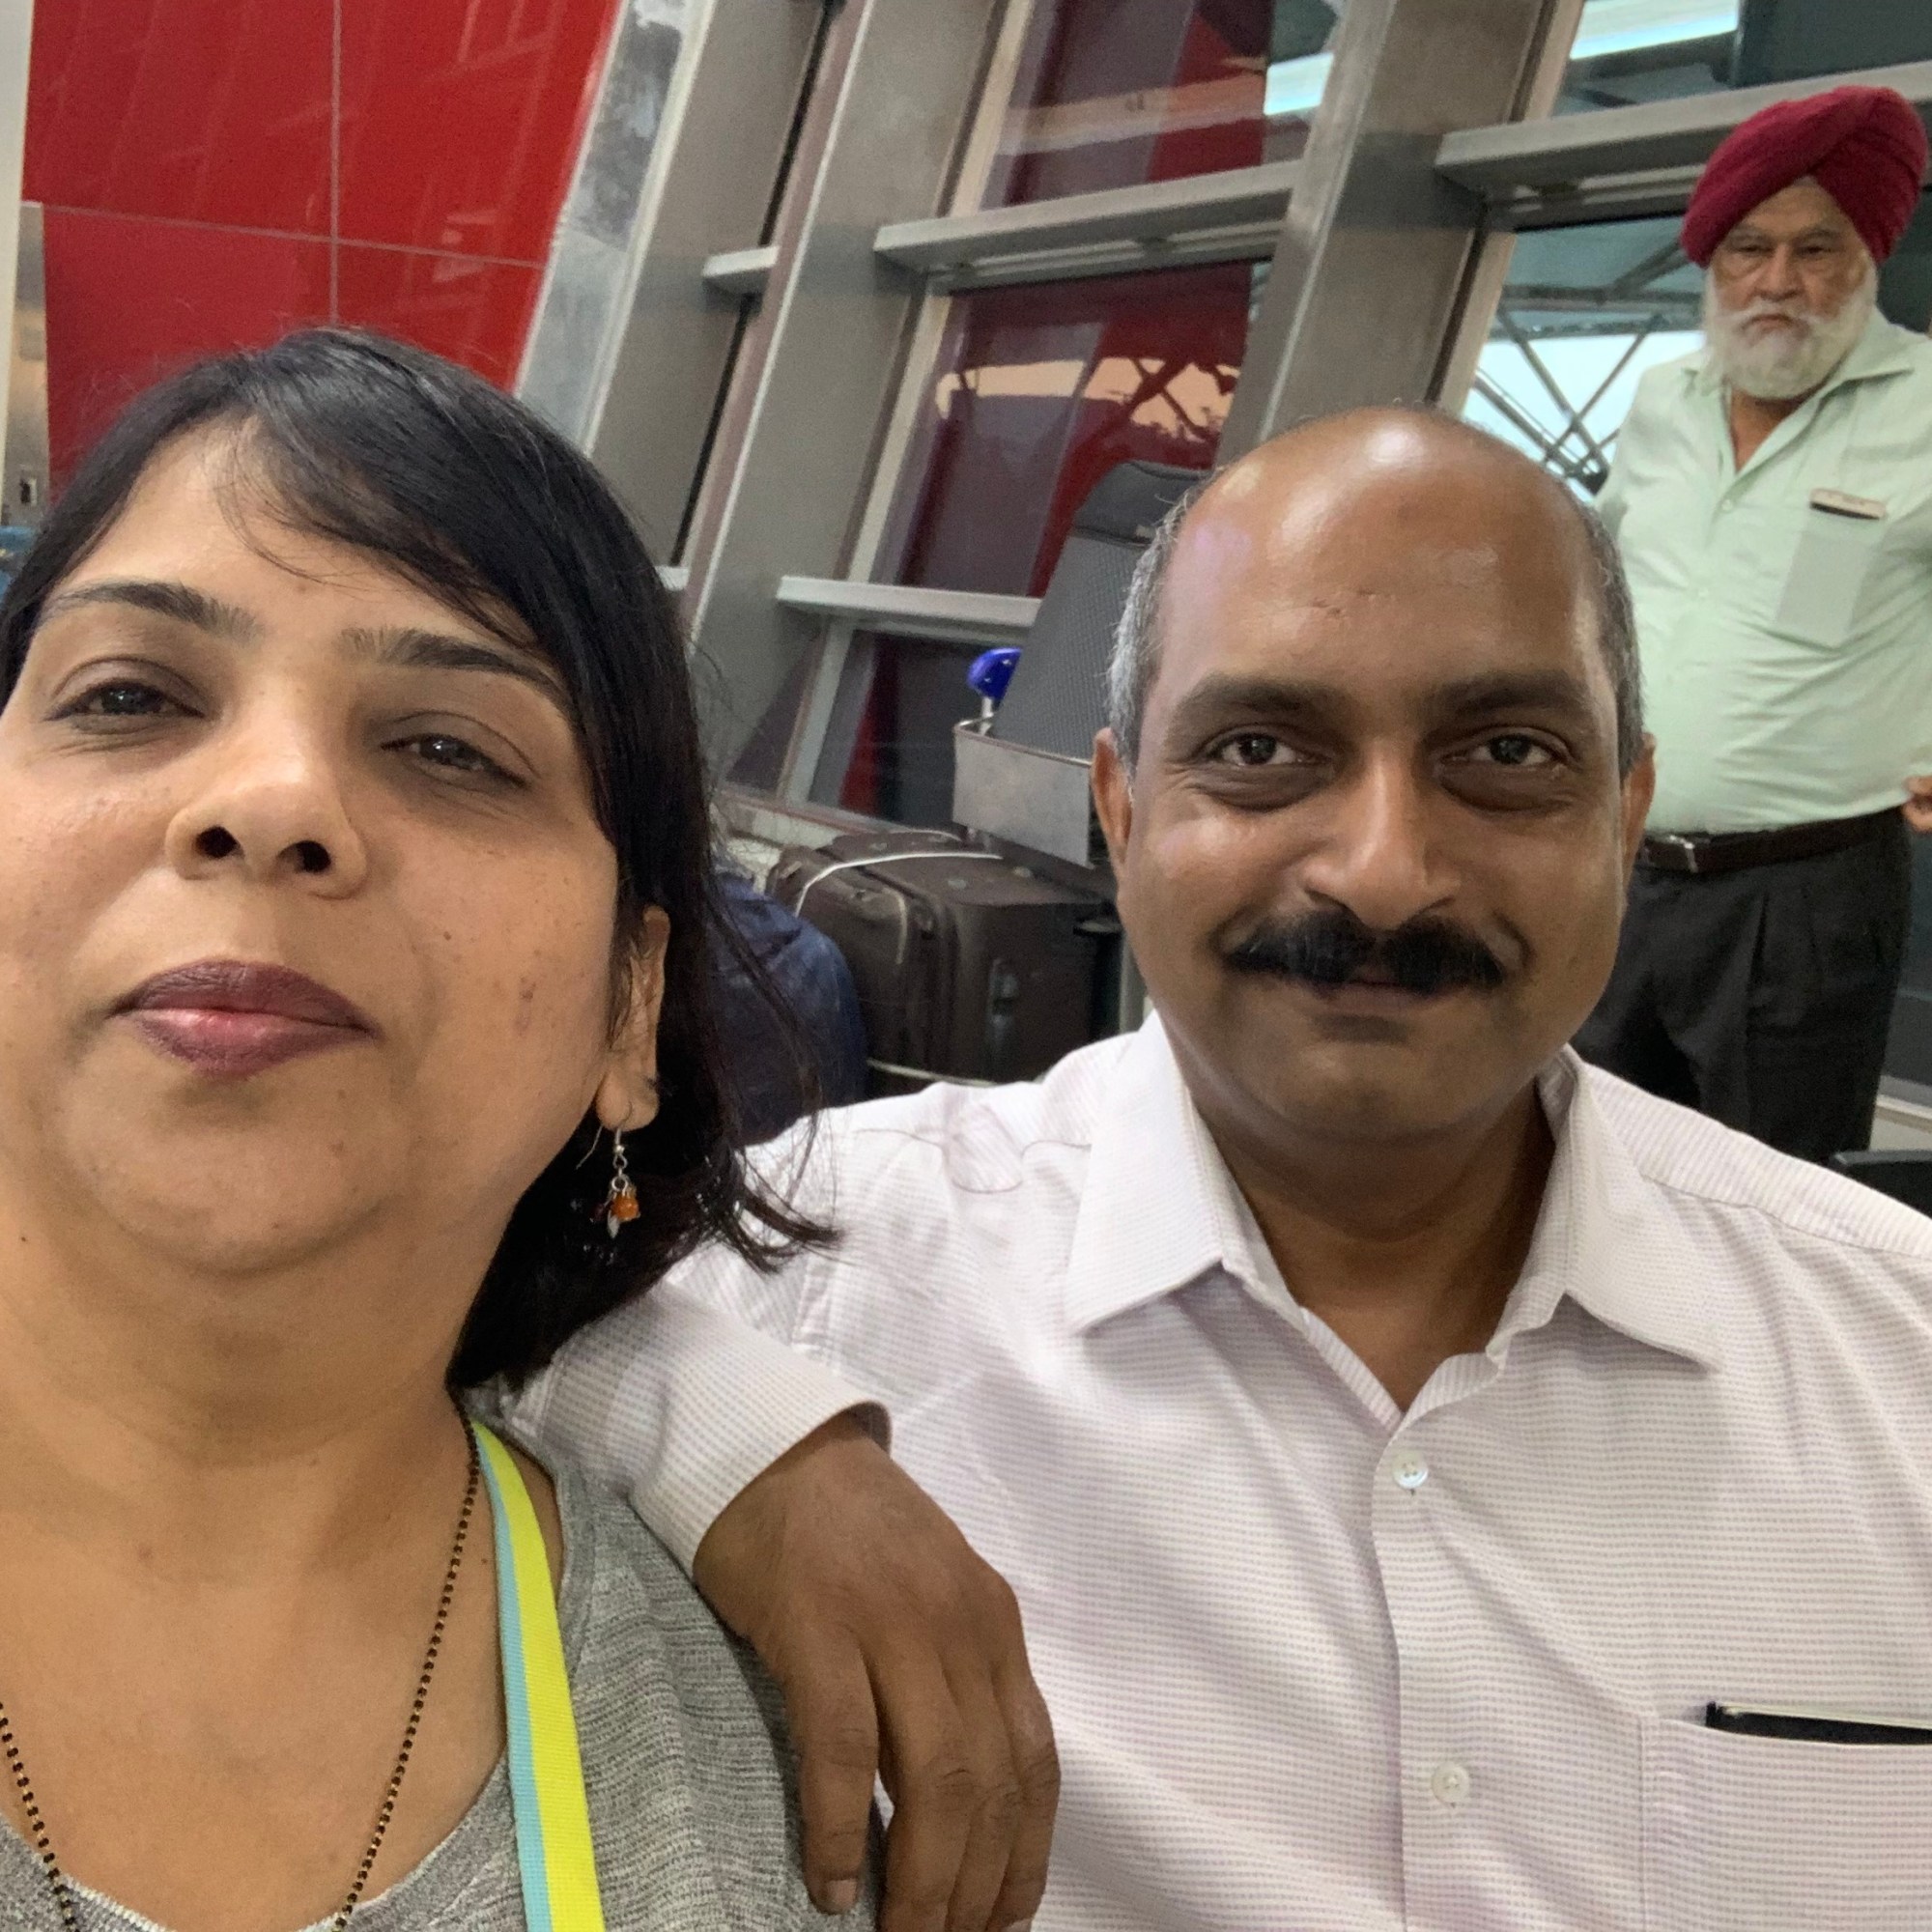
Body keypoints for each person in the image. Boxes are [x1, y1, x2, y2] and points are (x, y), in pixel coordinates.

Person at [513, 407, 1932, 1930]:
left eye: (1507, 756)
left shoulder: (1895, 1354)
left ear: (1627, 815)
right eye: (1261, 753)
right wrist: (728, 1437)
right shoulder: (813, 1284)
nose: (1383, 873)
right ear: (1121, 812)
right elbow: (416, 1354)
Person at [0, 328, 876, 1928]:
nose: (272, 801)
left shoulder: (781, 1758)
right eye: (130, 695)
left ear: (630, 1009)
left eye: (450, 750)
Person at [1578, 84, 1932, 1161]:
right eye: (1747, 248)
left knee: (1776, 1196)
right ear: (1711, 261)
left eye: (1814, 249)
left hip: (1806, 898)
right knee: (1585, 1163)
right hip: (1616, 865)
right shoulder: (1660, 400)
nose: (1776, 281)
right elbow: (1595, 587)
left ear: (1868, 259)